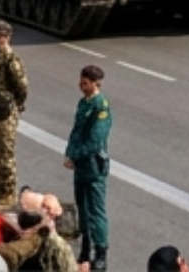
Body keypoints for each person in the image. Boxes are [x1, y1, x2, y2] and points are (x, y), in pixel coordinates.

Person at [64, 65, 112, 272]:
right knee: (82, 209)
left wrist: (75, 155)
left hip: (94, 166)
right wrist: (69, 153)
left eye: (85, 83)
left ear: (95, 84)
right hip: (81, 165)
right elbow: (76, 131)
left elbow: (95, 141)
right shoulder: (84, 102)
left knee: (95, 211)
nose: (81, 85)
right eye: (81, 81)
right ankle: (85, 249)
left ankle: (101, 253)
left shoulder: (101, 107)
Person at [0, 21, 30, 209]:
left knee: (5, 152)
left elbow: (22, 87)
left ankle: (9, 193)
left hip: (6, 112)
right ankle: (2, 190)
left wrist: (14, 104)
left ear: (6, 38)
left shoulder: (12, 61)